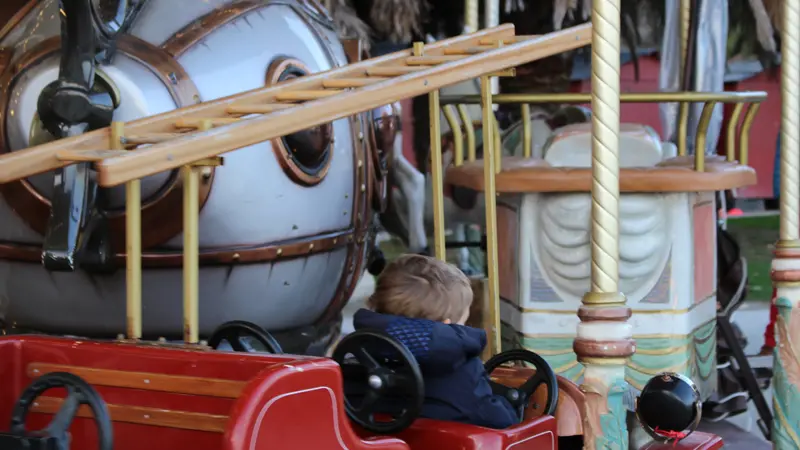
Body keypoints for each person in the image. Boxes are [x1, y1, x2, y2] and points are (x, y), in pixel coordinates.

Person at [353, 254, 518, 429]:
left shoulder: (363, 360)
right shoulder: (462, 373)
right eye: (463, 323)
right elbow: (499, 421)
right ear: (446, 326)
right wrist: (511, 407)